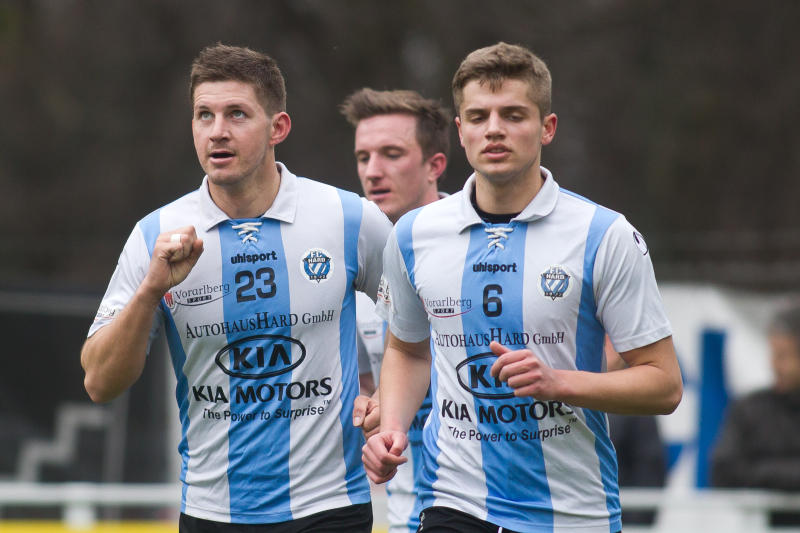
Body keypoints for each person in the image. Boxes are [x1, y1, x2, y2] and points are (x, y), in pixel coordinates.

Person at [361, 42, 683, 533]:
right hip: (453, 503)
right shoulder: (413, 234)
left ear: (546, 128)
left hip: (572, 513)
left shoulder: (605, 234)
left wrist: (559, 382)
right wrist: (391, 429)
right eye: (479, 116)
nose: (494, 129)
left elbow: (664, 384)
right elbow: (407, 351)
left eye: (513, 115)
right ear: (461, 131)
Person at [80, 44, 392, 532]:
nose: (217, 131)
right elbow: (100, 383)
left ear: (278, 128)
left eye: (237, 114)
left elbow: (423, 321)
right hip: (212, 512)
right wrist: (149, 292)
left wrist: (385, 394)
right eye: (204, 115)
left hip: (330, 507)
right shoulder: (155, 235)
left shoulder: (348, 217)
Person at [339, 88, 450, 533]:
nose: (373, 171)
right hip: (406, 515)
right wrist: (368, 407)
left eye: (391, 154)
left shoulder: (481, 248)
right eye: (363, 157)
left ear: (434, 165)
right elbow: (373, 385)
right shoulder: (357, 266)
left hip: (487, 508)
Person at [711, 302, 800, 525]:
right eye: (774, 354)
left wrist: (764, 472)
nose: (774, 365)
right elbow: (722, 471)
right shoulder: (750, 409)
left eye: (784, 355)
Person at [605, 337, 667, 527]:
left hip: (619, 520)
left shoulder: (633, 398)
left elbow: (649, 470)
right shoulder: (560, 389)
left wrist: (633, 526)